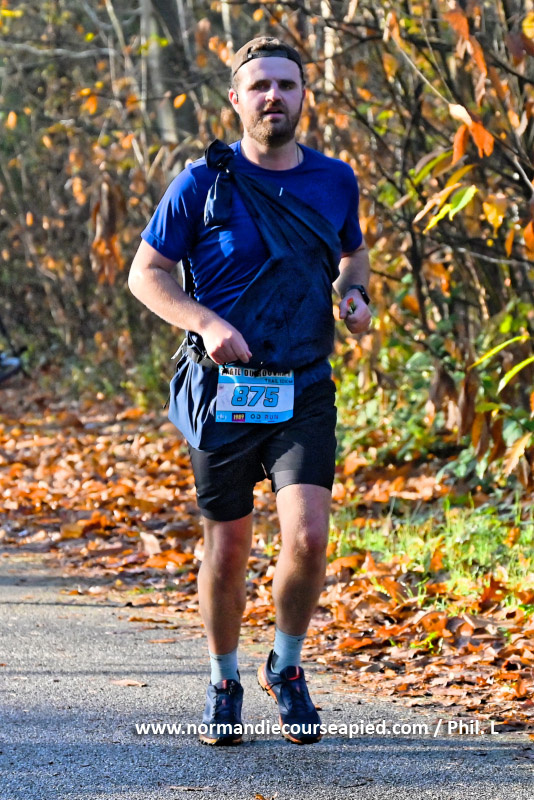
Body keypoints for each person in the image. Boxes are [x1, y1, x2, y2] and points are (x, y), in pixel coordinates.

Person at [128, 36, 372, 746]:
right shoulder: (200, 184)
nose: (274, 97)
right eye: (260, 85)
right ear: (236, 99)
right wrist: (205, 323)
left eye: (286, 85)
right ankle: (223, 680)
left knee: (309, 537)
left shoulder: (335, 180)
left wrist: (355, 296)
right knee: (228, 547)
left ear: (303, 97)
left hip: (305, 384)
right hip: (225, 390)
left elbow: (353, 253)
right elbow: (147, 274)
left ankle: (286, 668)